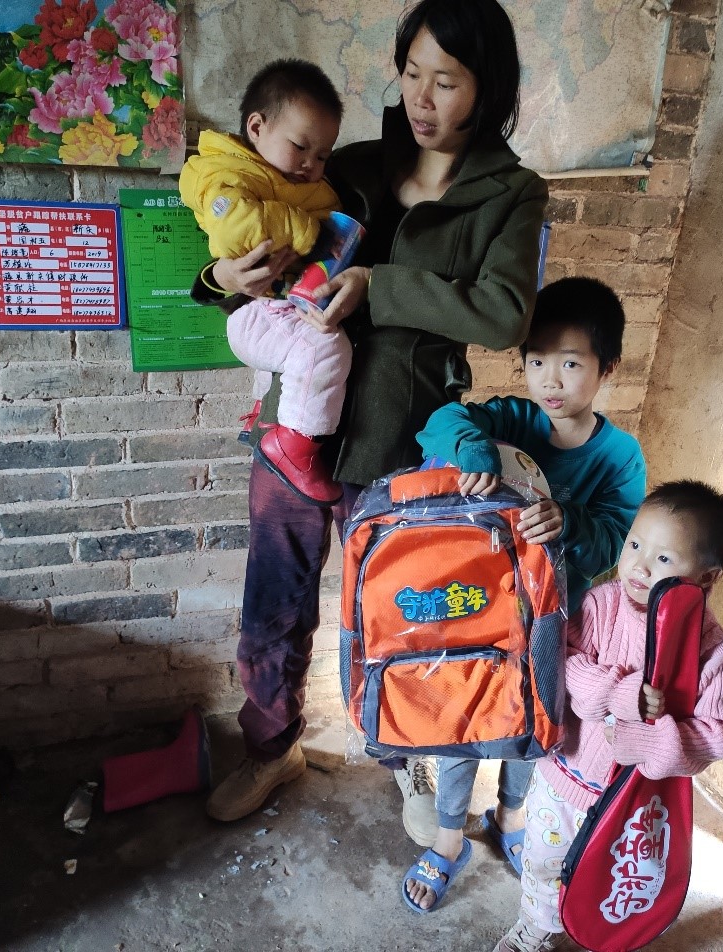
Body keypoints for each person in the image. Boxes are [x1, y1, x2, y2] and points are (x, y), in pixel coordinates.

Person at [193, 0, 550, 838]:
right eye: (412, 74)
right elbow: (257, 247)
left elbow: (506, 314)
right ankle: (270, 748)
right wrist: (221, 278)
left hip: (403, 436)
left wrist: (381, 287)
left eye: (446, 81)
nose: (421, 98)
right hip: (298, 429)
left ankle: (409, 758)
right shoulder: (348, 164)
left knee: (404, 610)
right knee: (273, 604)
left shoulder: (510, 194)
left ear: (488, 87)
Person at [402, 276, 646, 912]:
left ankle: (510, 818)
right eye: (537, 362)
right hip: (480, 610)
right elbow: (443, 419)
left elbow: (617, 541)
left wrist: (570, 522)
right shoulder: (514, 418)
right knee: (464, 717)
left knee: (534, 722)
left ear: (608, 368)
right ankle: (449, 839)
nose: (550, 380)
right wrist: (475, 451)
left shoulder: (621, 457)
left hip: (553, 620)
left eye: (571, 363)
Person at [491, 480, 723, 952]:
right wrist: (615, 692)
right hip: (564, 778)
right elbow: (562, 661)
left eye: (664, 558)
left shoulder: (712, 652)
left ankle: (599, 932)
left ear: (707, 578)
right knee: (544, 864)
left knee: (611, 876)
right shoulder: (601, 604)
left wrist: (649, 741)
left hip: (636, 801)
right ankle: (536, 927)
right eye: (634, 545)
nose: (640, 565)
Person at [178, 59, 350, 505]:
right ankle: (293, 448)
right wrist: (304, 228)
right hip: (255, 312)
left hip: (279, 310)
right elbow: (234, 231)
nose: (311, 164)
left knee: (311, 345)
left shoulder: (297, 184)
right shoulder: (226, 173)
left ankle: (271, 420)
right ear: (257, 127)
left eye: (323, 156)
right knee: (324, 345)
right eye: (301, 147)